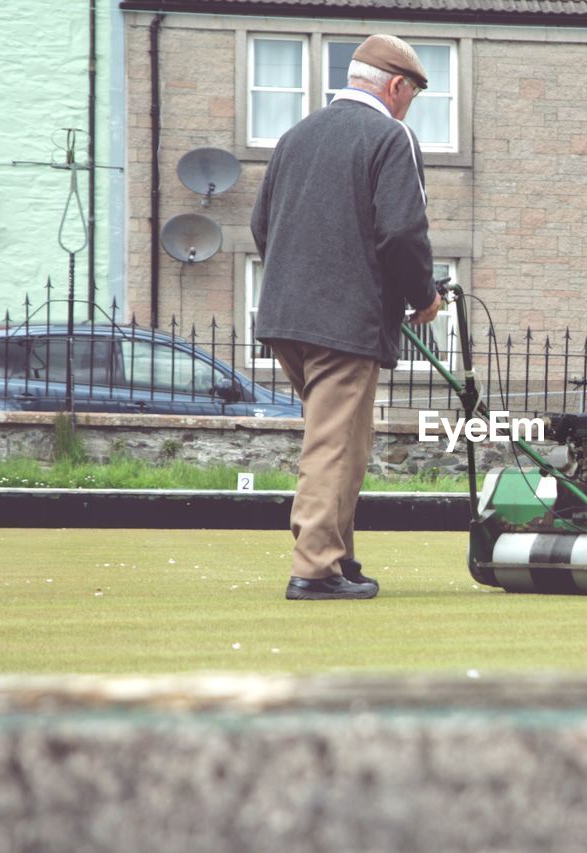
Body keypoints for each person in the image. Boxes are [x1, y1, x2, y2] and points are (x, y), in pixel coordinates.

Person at [251, 34, 443, 600]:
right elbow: (403, 231)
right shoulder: (391, 135)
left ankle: (339, 557)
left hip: (286, 316)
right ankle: (314, 569)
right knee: (334, 444)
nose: (408, 105)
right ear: (395, 86)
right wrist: (423, 296)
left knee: (345, 438)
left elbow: (262, 225)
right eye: (411, 94)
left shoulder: (295, 135)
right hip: (346, 322)